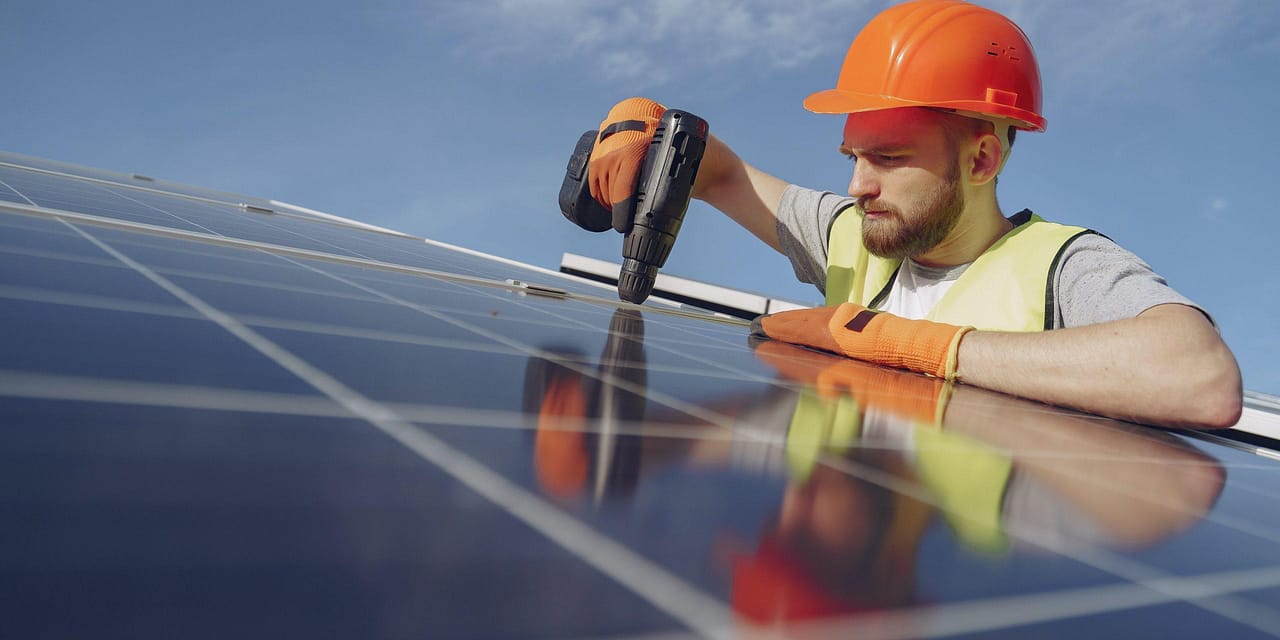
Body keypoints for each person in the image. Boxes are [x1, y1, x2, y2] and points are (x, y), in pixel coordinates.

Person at [584, 0, 1241, 429]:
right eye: (852, 155)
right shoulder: (857, 236)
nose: (857, 185)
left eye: (889, 158)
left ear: (982, 160)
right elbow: (717, 171)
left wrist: (912, 347)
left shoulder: (1060, 267)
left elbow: (1199, 377)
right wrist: (646, 121)